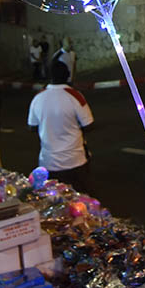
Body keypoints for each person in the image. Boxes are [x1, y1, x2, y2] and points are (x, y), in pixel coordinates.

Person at [27, 60, 94, 193]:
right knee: (81, 202)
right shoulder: (75, 96)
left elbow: (32, 126)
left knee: (54, 203)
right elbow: (88, 124)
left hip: (49, 162)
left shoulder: (38, 98)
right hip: (75, 161)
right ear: (68, 76)